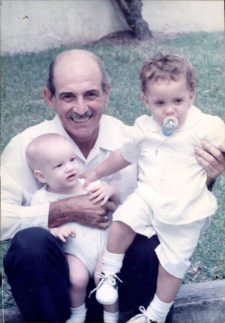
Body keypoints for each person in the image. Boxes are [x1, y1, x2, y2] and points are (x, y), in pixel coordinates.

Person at [1, 49, 225, 323]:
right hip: (61, 284)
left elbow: (167, 199)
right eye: (68, 96)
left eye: (91, 94)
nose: (81, 109)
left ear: (107, 92)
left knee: (151, 241)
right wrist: (62, 210)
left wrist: (208, 176)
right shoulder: (28, 146)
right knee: (29, 244)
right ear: (49, 97)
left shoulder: (130, 137)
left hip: (120, 282)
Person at [82, 53, 225, 323]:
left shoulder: (206, 126)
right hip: (148, 197)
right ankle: (109, 276)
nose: (170, 110)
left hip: (187, 209)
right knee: (123, 220)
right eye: (160, 103)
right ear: (146, 100)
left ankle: (154, 316)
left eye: (178, 101)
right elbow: (123, 155)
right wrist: (96, 172)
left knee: (173, 265)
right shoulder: (144, 128)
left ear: (192, 95)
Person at [26, 133, 119, 323]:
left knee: (106, 279)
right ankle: (77, 314)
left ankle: (111, 317)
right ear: (41, 175)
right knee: (76, 279)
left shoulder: (89, 184)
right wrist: (55, 231)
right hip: (75, 252)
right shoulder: (42, 199)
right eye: (59, 165)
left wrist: (109, 190)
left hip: (104, 248)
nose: (70, 167)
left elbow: (113, 193)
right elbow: (37, 227)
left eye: (71, 160)